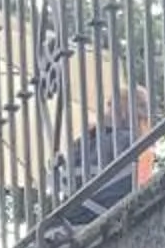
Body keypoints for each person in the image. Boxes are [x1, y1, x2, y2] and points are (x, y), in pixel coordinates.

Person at [50, 82, 157, 226]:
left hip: (71, 216)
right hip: (108, 212)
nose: (106, 110)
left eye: (109, 105)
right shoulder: (139, 144)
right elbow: (141, 188)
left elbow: (67, 176)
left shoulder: (86, 141)